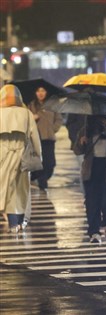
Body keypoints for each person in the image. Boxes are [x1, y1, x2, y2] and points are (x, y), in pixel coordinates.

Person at [73, 115, 106, 243]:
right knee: (92, 202)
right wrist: (81, 142)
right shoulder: (86, 129)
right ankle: (94, 232)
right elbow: (77, 150)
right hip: (91, 170)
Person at [0, 85, 41, 233]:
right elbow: (35, 138)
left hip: (2, 157)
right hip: (21, 157)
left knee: (5, 189)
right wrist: (38, 155)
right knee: (20, 191)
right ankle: (16, 223)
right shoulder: (26, 113)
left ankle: (13, 222)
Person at [28, 86, 63, 192]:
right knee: (38, 162)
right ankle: (42, 183)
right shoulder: (31, 105)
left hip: (48, 138)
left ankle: (41, 179)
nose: (40, 93)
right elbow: (26, 119)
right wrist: (32, 118)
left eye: (43, 90)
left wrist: (53, 129)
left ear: (46, 92)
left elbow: (59, 119)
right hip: (36, 138)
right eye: (38, 90)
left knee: (50, 163)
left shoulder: (52, 105)